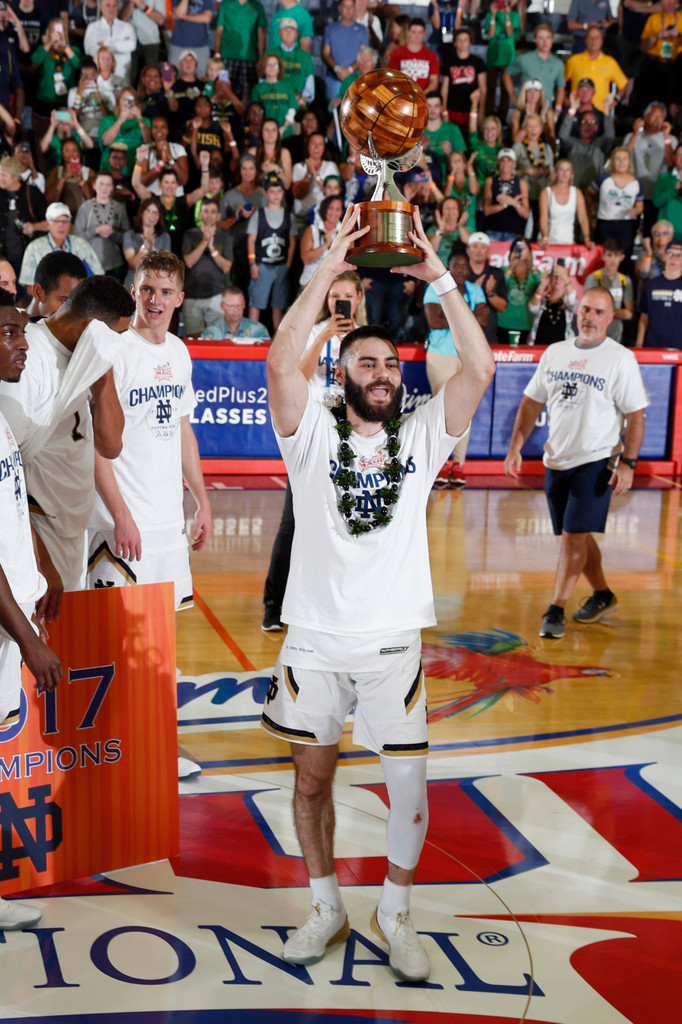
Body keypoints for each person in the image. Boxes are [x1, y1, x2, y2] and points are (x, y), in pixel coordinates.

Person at [261, 203, 495, 980]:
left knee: (410, 790)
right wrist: (327, 267)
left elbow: (483, 372)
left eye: (391, 365)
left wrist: (442, 282)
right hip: (315, 639)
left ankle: (395, 910)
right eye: (368, 364)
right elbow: (278, 360)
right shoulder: (312, 435)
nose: (385, 375)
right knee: (312, 782)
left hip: (393, 641)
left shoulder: (424, 437)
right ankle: (327, 904)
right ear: (342, 373)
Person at [85, 250, 212, 781]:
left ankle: (158, 744)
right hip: (122, 523)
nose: (156, 301)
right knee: (115, 645)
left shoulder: (180, 352)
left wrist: (202, 500)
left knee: (160, 647)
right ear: (134, 292)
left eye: (166, 292)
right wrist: (119, 514)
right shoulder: (113, 351)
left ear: (181, 298)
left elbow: (182, 429)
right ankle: (109, 750)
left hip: (166, 526)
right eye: (147, 290)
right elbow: (93, 441)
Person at [505, 287, 648, 638]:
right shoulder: (555, 353)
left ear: (610, 319)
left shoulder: (620, 358)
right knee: (578, 538)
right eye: (586, 309)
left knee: (572, 537)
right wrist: (515, 446)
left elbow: (636, 415)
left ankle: (556, 610)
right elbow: (530, 403)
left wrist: (628, 462)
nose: (590, 317)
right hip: (557, 460)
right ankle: (602, 594)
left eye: (599, 312)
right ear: (576, 310)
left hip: (596, 461)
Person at [0, 276, 135, 593]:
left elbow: (111, 445)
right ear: (92, 328)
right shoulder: (28, 357)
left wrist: (104, 372)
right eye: (117, 335)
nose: (121, 343)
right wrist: (39, 556)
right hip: (37, 525)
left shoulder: (90, 357)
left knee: (64, 641)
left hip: (73, 522)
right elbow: (9, 472)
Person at [0, 289, 63, 938]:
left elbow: (15, 503)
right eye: (12, 333)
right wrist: (30, 642)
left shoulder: (2, 412)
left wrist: (40, 567)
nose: (25, 343)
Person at [261, 269, 366, 633]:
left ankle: (334, 602)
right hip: (312, 437)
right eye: (334, 295)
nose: (341, 301)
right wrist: (322, 337)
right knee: (293, 523)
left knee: (347, 525)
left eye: (348, 296)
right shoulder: (314, 332)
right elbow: (296, 376)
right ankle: (273, 604)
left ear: (358, 299)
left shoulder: (367, 339)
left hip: (352, 442)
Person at [423, 243, 488, 487]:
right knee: (441, 412)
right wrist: (468, 318)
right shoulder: (434, 288)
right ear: (448, 269)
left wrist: (450, 317)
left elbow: (485, 318)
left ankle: (458, 465)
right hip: (441, 355)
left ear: (469, 269)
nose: (460, 270)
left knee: (466, 411)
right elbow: (434, 321)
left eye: (464, 265)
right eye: (455, 266)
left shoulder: (475, 290)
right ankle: (439, 465)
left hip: (468, 357)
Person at [19, 202, 104, 295]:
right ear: (47, 224)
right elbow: (30, 288)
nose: (61, 225)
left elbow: (99, 277)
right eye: (56, 221)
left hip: (79, 300)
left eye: (65, 221)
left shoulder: (81, 244)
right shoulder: (34, 248)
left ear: (70, 224)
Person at [247, 172, 296, 330]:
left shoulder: (289, 216)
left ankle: (277, 337)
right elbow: (251, 240)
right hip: (262, 265)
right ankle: (251, 333)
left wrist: (288, 266)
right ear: (266, 193)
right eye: (272, 191)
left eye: (279, 191)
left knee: (278, 304)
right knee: (256, 303)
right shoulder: (258, 214)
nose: (276, 195)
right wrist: (252, 263)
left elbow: (292, 243)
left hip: (280, 266)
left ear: (283, 192)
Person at [182, 196, 234, 337]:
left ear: (219, 216)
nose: (209, 215)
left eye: (213, 212)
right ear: (200, 214)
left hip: (217, 295)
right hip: (192, 296)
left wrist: (212, 249)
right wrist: (205, 242)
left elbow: (226, 267)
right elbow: (188, 262)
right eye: (206, 211)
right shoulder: (190, 234)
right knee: (194, 340)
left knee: (217, 339)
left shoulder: (225, 237)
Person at [624, 103, 676, 238]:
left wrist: (666, 137)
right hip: (635, 194)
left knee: (651, 235)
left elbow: (671, 164)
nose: (658, 120)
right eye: (654, 116)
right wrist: (635, 134)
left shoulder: (671, 139)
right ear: (645, 118)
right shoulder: (632, 136)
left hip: (657, 195)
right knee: (628, 233)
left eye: (661, 117)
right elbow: (624, 157)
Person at [73, 170, 130, 278]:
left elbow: (128, 237)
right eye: (101, 184)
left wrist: (113, 233)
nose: (104, 188)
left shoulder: (119, 207)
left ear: (112, 187)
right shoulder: (86, 207)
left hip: (114, 263)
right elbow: (76, 237)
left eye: (108, 184)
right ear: (94, 186)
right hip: (89, 262)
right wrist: (95, 230)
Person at [587, 147, 643, 255]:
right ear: (612, 162)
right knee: (602, 256)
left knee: (623, 257)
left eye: (624, 159)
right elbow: (589, 193)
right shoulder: (603, 179)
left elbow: (640, 206)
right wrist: (593, 212)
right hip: (605, 223)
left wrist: (636, 210)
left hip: (625, 225)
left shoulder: (637, 183)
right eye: (618, 159)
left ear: (630, 162)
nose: (621, 162)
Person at [0, 155, 47, 276]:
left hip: (27, 257)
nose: (0, 178)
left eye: (4, 175)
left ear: (16, 176)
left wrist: (34, 226)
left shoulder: (32, 193)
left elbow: (50, 223)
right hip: (2, 257)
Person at [504, 22, 565, 115]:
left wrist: (558, 110)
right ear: (535, 40)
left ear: (552, 40)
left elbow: (561, 88)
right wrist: (513, 96)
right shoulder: (524, 59)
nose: (545, 42)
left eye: (548, 38)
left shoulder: (558, 63)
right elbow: (506, 74)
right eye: (541, 38)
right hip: (525, 110)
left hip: (546, 111)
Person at [563, 27, 629, 111]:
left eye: (597, 37)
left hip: (601, 112)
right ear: (585, 40)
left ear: (602, 40)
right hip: (578, 111)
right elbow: (560, 84)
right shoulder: (573, 61)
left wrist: (616, 100)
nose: (594, 40)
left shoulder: (610, 62)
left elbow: (623, 84)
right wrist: (566, 101)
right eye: (591, 37)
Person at [214, 0, 266, 103]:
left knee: (248, 94)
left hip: (250, 57)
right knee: (223, 90)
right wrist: (217, 53)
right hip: (226, 57)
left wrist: (261, 57)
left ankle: (246, 117)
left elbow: (261, 33)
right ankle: (224, 117)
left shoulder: (257, 6)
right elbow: (219, 31)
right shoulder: (225, 4)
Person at [584, 238, 635, 343]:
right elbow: (591, 309)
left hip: (617, 335)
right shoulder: (594, 277)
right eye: (609, 255)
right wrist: (619, 312)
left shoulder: (625, 281)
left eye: (616, 255)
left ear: (622, 257)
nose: (612, 259)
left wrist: (603, 311)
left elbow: (629, 314)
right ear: (603, 256)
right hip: (595, 333)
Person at [439, 26, 486, 136]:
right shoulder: (449, 61)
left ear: (470, 42)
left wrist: (482, 111)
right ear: (455, 43)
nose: (462, 43)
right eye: (459, 40)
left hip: (471, 110)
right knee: (452, 139)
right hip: (452, 108)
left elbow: (483, 88)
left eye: (465, 40)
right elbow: (444, 88)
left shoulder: (477, 62)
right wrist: (444, 109)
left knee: (470, 140)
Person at [636, 238, 682, 348]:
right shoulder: (651, 285)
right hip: (653, 346)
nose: (673, 258)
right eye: (670, 253)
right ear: (664, 256)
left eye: (679, 255)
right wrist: (639, 344)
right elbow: (644, 318)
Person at [466, 230, 508, 346]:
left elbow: (502, 308)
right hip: (465, 334)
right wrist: (475, 289)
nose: (479, 251)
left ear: (488, 251)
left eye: (483, 247)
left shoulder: (496, 273)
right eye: (475, 246)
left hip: (489, 336)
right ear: (468, 250)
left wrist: (490, 293)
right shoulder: (460, 273)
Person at [322, 0, 369, 103]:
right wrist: (337, 69)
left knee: (353, 114)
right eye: (345, 7)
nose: (348, 10)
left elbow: (364, 54)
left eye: (351, 7)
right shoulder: (330, 29)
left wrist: (350, 70)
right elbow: (325, 53)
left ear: (354, 9)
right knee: (333, 114)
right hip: (334, 78)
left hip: (354, 80)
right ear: (339, 9)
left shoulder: (362, 30)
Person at [538, 159, 592, 248]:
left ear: (572, 173)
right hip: (548, 242)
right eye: (561, 169)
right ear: (556, 172)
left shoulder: (576, 192)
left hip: (568, 241)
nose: (564, 173)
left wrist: (587, 239)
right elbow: (544, 217)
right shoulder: (546, 192)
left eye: (568, 170)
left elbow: (582, 218)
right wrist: (545, 237)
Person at [497, 237, 540, 344]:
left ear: (530, 252)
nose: (520, 251)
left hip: (525, 325)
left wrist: (531, 266)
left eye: (523, 248)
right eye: (517, 248)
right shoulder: (503, 271)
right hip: (503, 323)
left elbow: (541, 287)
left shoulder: (535, 273)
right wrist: (512, 267)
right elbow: (499, 287)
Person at [483, 0, 520, 121]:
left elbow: (510, 33)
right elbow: (491, 34)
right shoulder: (489, 15)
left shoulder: (514, 15)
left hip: (508, 58)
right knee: (491, 88)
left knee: (506, 90)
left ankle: (502, 118)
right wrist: (493, 15)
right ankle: (489, 116)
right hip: (493, 57)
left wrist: (508, 15)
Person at [122, 196, 171, 288]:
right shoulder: (130, 235)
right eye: (150, 211)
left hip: (157, 286)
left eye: (156, 213)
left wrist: (153, 248)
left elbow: (166, 265)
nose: (153, 216)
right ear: (141, 213)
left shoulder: (164, 236)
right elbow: (134, 264)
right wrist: (146, 244)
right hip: (134, 285)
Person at [482, 148, 529, 242]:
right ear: (498, 162)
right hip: (493, 230)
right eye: (503, 160)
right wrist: (505, 204)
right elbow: (486, 210)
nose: (505, 163)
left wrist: (514, 203)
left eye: (509, 160)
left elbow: (525, 214)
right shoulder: (490, 181)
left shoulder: (521, 183)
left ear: (514, 163)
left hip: (514, 231)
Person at [24, 250, 88, 320]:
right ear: (38, 292)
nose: (74, 312)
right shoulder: (13, 327)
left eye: (79, 304)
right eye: (65, 301)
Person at [83, 0, 137, 82]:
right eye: (108, 5)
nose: (111, 9)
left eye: (114, 5)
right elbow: (90, 49)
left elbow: (131, 46)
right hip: (100, 77)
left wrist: (104, 44)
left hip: (123, 75)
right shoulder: (93, 27)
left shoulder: (127, 27)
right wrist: (118, 46)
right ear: (101, 7)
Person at [528, 260, 579, 346]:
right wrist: (542, 285)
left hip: (563, 349)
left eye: (561, 276)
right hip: (539, 347)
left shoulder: (567, 302)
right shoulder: (543, 299)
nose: (558, 279)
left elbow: (573, 301)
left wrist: (565, 277)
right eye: (555, 275)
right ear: (550, 277)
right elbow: (532, 308)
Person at [299, 195, 345, 290]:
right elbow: (306, 259)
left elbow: (347, 260)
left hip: (334, 284)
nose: (334, 212)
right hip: (310, 282)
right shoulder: (312, 230)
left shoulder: (344, 232)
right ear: (325, 209)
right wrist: (325, 245)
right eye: (331, 208)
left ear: (341, 212)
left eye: (338, 209)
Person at [249, 53, 298, 135]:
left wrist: (283, 128)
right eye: (268, 64)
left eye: (275, 65)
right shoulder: (257, 88)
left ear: (279, 68)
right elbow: (254, 112)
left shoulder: (288, 87)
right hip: (265, 131)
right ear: (263, 68)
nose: (271, 67)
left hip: (285, 131)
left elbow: (292, 110)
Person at [387, 16, 439, 93]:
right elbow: (391, 79)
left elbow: (434, 82)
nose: (417, 36)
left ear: (424, 33)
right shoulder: (397, 53)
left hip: (424, 97)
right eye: (414, 32)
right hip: (402, 97)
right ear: (408, 33)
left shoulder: (431, 55)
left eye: (420, 32)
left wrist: (423, 94)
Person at [200, 284, 271, 340]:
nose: (236, 310)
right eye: (231, 306)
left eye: (239, 305)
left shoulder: (258, 330)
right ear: (222, 306)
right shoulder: (212, 332)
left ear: (244, 305)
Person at [168, 0, 215, 79]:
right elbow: (179, 13)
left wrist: (184, 16)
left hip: (200, 44)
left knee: (202, 78)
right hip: (177, 43)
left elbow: (206, 18)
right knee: (170, 78)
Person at [652, 145, 682, 239]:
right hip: (667, 236)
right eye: (680, 154)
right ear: (674, 157)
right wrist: (675, 188)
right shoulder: (664, 177)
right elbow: (657, 202)